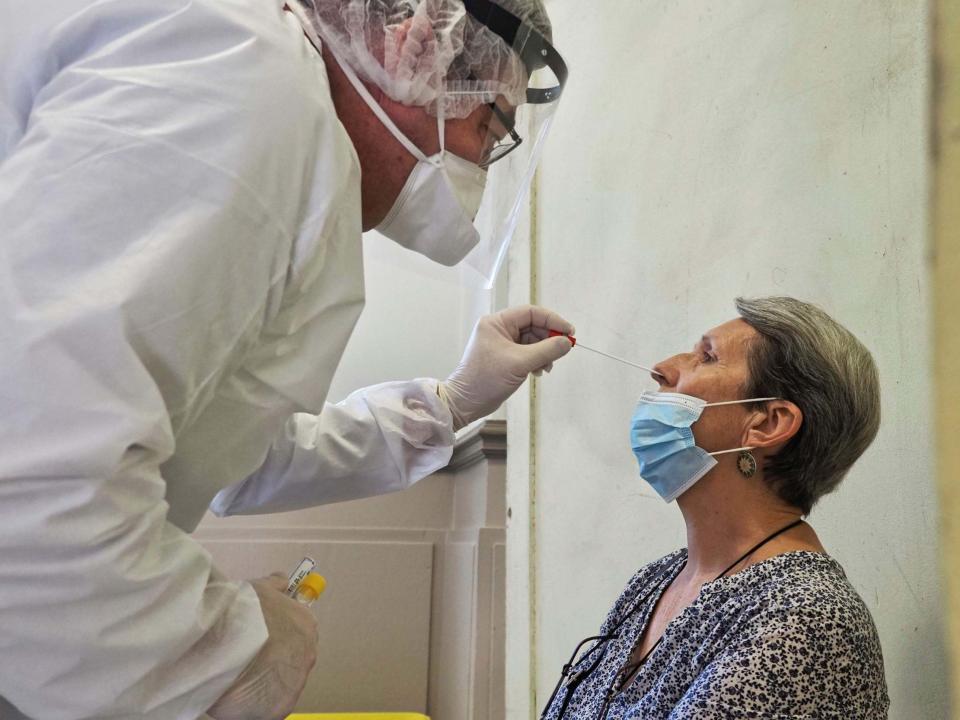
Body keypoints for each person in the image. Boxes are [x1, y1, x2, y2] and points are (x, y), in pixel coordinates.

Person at [0, 1, 573, 718]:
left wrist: (451, 403)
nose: (479, 167)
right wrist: (221, 655)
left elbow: (231, 454)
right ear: (415, 45)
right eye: (488, 126)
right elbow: (27, 487)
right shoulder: (245, 85)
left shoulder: (282, 123)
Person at [541, 297, 889, 720]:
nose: (663, 367)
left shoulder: (806, 620)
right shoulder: (658, 580)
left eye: (706, 357)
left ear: (767, 423)